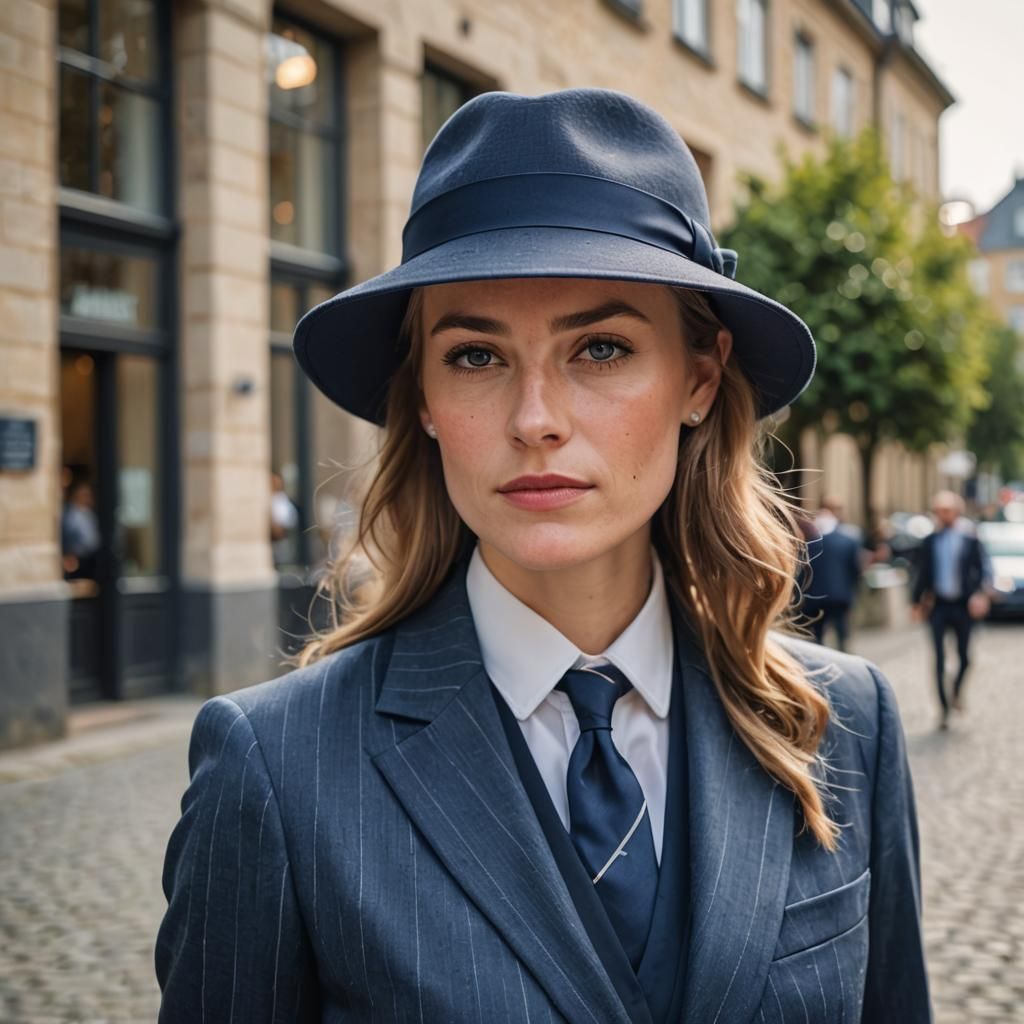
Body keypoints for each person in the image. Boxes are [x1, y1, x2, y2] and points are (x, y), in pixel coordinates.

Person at [155, 89, 930, 1023]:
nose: (535, 422)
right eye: (476, 357)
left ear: (698, 376)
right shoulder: (277, 767)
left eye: (599, 348)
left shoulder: (845, 720)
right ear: (426, 400)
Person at [911, 490, 992, 730]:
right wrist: (915, 602)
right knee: (938, 658)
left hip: (963, 605)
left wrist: (981, 594)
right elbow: (922, 573)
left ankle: (956, 690)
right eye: (938, 511)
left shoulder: (970, 538)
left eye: (946, 510)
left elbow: (982, 569)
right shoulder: (930, 540)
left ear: (956, 512)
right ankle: (944, 709)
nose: (941, 515)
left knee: (965, 657)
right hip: (939, 606)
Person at [802, 496, 863, 651]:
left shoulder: (810, 539)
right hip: (839, 595)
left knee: (817, 637)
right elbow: (855, 570)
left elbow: (803, 568)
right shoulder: (849, 539)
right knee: (841, 635)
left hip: (815, 595)